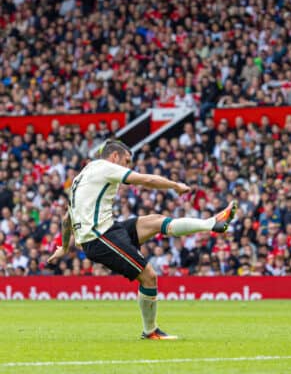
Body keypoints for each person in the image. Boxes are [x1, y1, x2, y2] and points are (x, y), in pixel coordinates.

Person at [48, 140, 237, 340]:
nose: (128, 167)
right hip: (99, 237)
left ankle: (211, 224)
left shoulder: (82, 176)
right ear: (114, 157)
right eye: (126, 161)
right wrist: (175, 185)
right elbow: (146, 180)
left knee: (155, 221)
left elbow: (66, 218)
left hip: (108, 229)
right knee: (149, 276)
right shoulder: (106, 168)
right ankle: (150, 331)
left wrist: (64, 247)